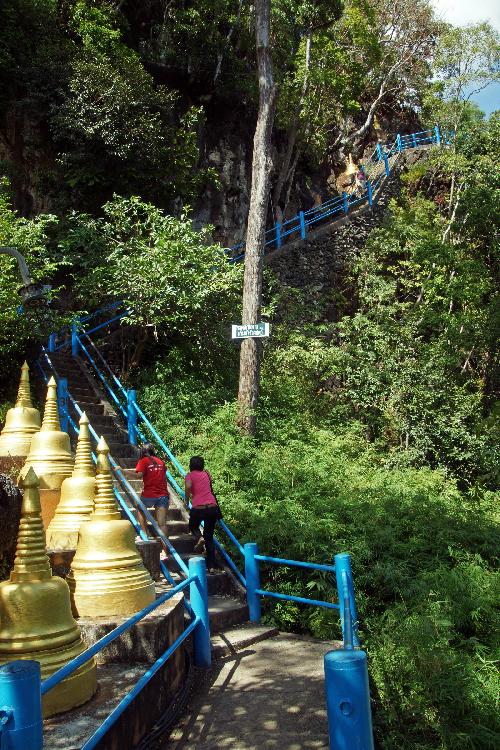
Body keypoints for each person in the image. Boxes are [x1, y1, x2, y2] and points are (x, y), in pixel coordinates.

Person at [185, 456, 221, 573]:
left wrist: (186, 501)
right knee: (209, 537)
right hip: (212, 507)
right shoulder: (207, 474)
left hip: (198, 507)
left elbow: (189, 486)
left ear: (191, 465)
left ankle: (199, 538)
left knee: (193, 526)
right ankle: (211, 567)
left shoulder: (189, 475)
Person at [135, 443, 169, 541]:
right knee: (162, 523)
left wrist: (123, 471)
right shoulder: (161, 461)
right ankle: (165, 551)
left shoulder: (143, 461)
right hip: (163, 494)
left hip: (149, 494)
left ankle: (144, 535)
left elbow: (138, 475)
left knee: (140, 509)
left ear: (143, 451)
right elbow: (163, 475)